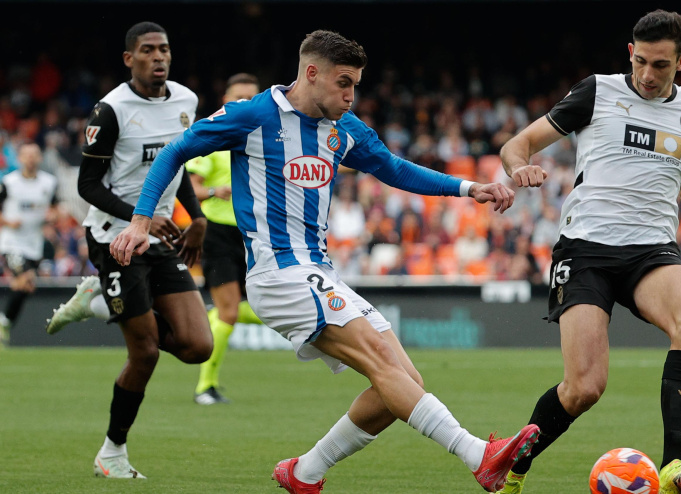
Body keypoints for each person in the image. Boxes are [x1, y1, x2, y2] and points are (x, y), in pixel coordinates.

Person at [110, 29, 539, 493]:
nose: (352, 96)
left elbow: (393, 168)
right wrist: (140, 220)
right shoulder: (253, 115)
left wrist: (466, 188)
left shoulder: (343, 128)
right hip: (278, 272)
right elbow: (176, 151)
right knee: (383, 362)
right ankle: (479, 455)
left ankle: (305, 472)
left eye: (355, 84)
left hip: (317, 271)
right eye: (344, 83)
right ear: (311, 73)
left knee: (402, 381)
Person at [495, 10, 681, 494]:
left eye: (662, 66)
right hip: (585, 249)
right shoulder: (598, 91)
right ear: (630, 53)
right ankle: (512, 468)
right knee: (584, 388)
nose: (648, 76)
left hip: (651, 250)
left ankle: (673, 468)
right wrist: (520, 166)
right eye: (642, 62)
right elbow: (517, 143)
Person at [46, 21, 213, 479]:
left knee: (198, 346)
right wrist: (140, 215)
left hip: (159, 236)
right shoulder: (111, 110)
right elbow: (87, 185)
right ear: (129, 59)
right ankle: (112, 454)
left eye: (164, 49)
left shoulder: (185, 101)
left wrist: (195, 217)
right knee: (146, 352)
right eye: (147, 50)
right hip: (113, 236)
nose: (158, 57)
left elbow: (177, 165)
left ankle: (101, 304)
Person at [184, 72, 264, 405]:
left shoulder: (267, 140)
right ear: (225, 102)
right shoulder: (214, 139)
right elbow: (190, 187)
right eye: (238, 99)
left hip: (255, 234)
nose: (244, 104)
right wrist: (216, 190)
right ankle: (205, 387)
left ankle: (209, 317)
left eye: (251, 98)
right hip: (218, 233)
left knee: (260, 307)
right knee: (231, 312)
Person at [0, 142, 58, 346]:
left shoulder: (49, 183)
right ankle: (4, 321)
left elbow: (56, 208)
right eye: (27, 155)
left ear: (40, 158)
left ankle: (5, 321)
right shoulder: (8, 182)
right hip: (12, 242)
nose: (31, 159)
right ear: (20, 158)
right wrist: (7, 222)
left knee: (26, 287)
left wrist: (53, 216)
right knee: (25, 278)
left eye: (34, 155)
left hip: (34, 244)